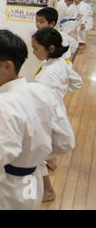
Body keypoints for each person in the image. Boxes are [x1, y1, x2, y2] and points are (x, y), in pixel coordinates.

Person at [0, 29, 75, 210]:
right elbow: (65, 141)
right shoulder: (40, 91)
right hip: (33, 182)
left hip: (8, 190)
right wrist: (32, 154)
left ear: (7, 66)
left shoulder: (3, 104)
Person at [31, 27, 82, 202]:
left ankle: (48, 191)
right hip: (56, 111)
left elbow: (44, 106)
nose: (33, 52)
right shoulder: (59, 62)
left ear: (50, 48)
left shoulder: (49, 74)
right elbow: (77, 83)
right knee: (42, 149)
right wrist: (61, 91)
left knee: (33, 155)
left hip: (51, 118)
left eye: (36, 48)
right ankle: (51, 160)